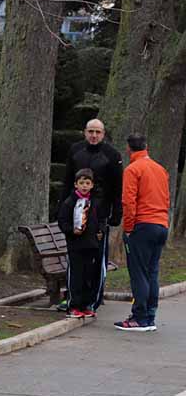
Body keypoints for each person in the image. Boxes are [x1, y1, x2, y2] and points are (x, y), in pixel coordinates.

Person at [57, 118, 124, 311]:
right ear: (85, 132)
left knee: (96, 262)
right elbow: (68, 180)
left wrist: (116, 212)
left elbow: (117, 186)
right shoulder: (76, 150)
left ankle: (93, 299)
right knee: (76, 261)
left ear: (103, 134)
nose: (94, 135)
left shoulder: (111, 154)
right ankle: (73, 299)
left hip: (99, 214)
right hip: (75, 212)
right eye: (90, 131)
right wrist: (62, 206)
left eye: (98, 132)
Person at [115, 133, 170, 332]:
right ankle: (149, 315)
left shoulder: (133, 169)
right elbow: (165, 198)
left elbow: (128, 202)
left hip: (142, 225)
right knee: (152, 272)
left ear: (129, 148)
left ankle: (139, 317)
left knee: (138, 272)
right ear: (146, 146)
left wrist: (128, 228)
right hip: (161, 224)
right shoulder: (160, 169)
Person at [57, 169, 104, 318]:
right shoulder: (70, 202)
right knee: (76, 275)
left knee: (88, 275)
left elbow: (101, 219)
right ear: (76, 184)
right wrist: (71, 231)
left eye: (87, 183)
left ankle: (86, 304)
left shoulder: (95, 202)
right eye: (81, 183)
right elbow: (62, 221)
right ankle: (73, 305)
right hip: (76, 244)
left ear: (92, 185)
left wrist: (100, 230)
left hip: (91, 244)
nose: (84, 186)